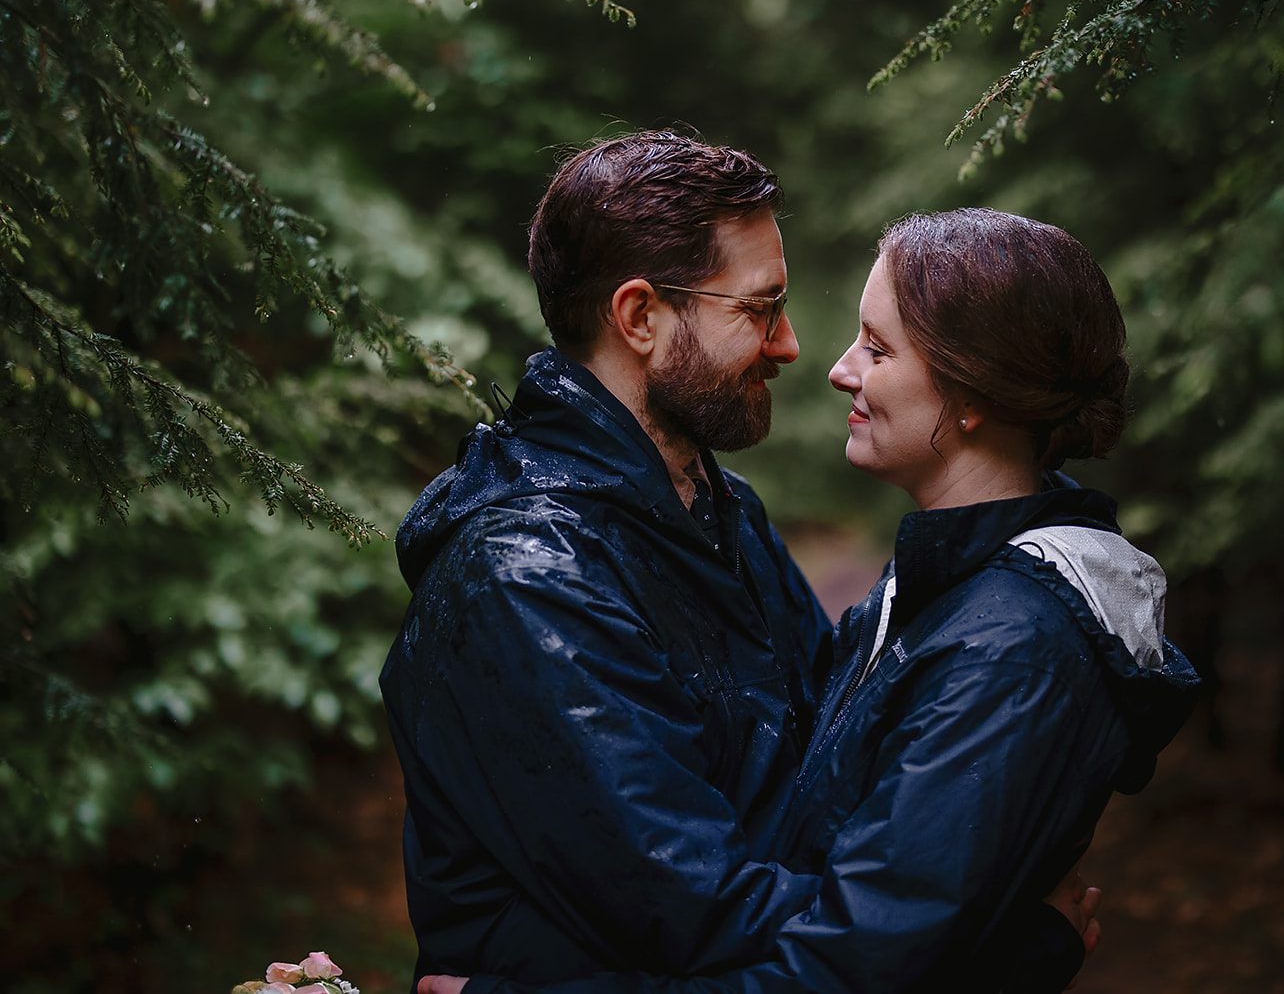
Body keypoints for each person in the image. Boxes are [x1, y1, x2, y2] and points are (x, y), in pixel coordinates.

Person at [418, 207, 1199, 994]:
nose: (825, 362)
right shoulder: (929, 591)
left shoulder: (1007, 641)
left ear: (973, 395)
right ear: (637, 316)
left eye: (879, 346)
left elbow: (859, 949)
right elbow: (835, 913)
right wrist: (994, 951)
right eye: (760, 309)